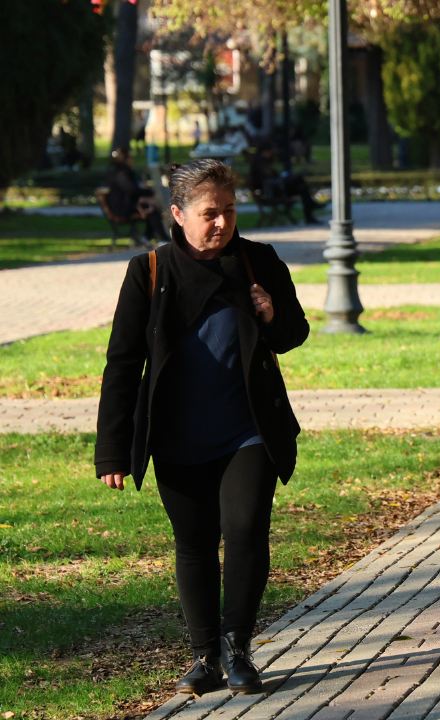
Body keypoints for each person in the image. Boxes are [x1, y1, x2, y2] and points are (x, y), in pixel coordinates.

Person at [94, 159, 310, 696]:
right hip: (176, 435)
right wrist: (112, 451)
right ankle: (204, 657)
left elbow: (294, 333)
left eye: (230, 211)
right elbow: (122, 363)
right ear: (178, 214)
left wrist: (270, 314)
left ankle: (239, 652)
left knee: (244, 531)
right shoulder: (149, 271)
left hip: (248, 431)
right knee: (193, 542)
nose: (222, 223)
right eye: (209, 213)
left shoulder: (258, 262)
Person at [105, 148, 167, 247]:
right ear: (125, 159)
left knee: (151, 207)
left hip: (126, 204)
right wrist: (148, 192)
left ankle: (147, 237)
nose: (132, 160)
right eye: (130, 158)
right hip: (122, 207)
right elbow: (132, 190)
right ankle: (164, 239)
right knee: (151, 209)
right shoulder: (121, 174)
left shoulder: (120, 172)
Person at [248, 145, 323, 224]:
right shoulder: (260, 162)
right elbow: (270, 176)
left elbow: (273, 175)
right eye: (269, 152)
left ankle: (310, 216)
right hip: (272, 192)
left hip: (276, 189)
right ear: (264, 152)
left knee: (302, 188)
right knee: (299, 179)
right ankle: (311, 211)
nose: (270, 154)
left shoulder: (262, 161)